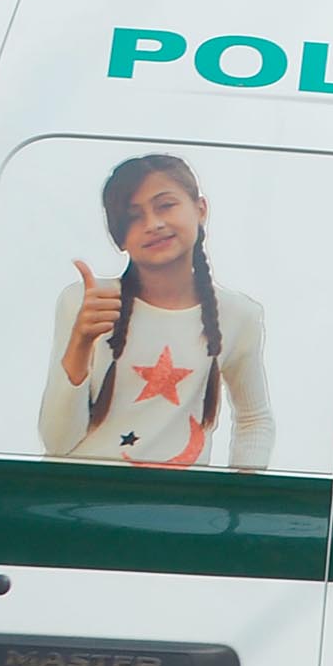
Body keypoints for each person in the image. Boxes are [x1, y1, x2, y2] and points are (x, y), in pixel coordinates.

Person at [40, 153, 277, 470]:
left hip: (173, 510)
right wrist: (80, 343)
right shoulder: (88, 301)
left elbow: (254, 419)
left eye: (165, 205)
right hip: (78, 502)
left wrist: (237, 505)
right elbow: (57, 443)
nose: (153, 224)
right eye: (134, 217)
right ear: (119, 236)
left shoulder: (238, 315)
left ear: (200, 209)